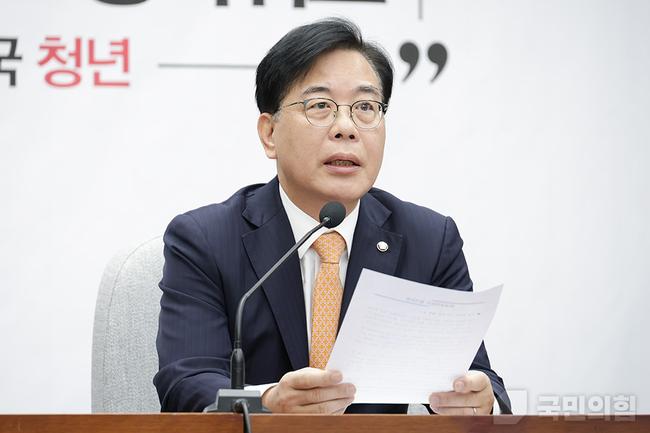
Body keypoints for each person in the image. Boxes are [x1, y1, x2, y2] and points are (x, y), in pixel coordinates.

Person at [154, 17, 511, 415]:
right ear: (269, 134)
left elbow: (477, 378)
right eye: (320, 106)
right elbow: (187, 382)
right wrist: (268, 405)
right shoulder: (205, 240)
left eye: (365, 108)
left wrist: (480, 403)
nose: (346, 128)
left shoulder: (429, 241)